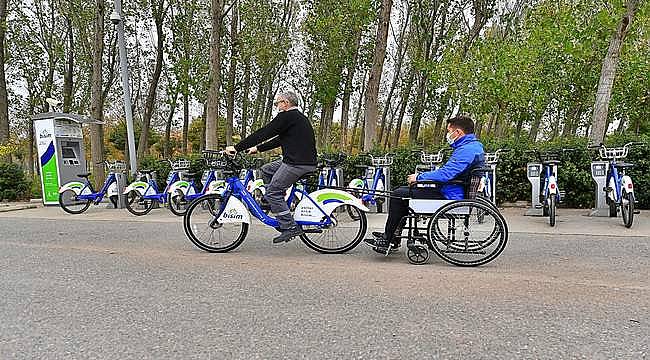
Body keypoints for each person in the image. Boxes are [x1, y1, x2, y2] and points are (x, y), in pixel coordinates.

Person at [367, 115, 485, 252]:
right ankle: (393, 236)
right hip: (452, 190)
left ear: (458, 132)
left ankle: (388, 239)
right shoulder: (473, 146)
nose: (448, 135)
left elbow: (446, 174)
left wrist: (419, 177)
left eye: (449, 131)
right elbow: (449, 172)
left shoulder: (466, 150)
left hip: (450, 196)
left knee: (398, 195)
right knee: (402, 193)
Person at [225, 91, 317, 244]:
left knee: (274, 191)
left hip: (297, 164)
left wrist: (237, 147)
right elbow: (280, 139)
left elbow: (265, 132)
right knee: (267, 169)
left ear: (286, 103)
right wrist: (257, 149)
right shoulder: (297, 118)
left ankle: (289, 226)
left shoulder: (287, 116)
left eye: (278, 103)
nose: (277, 106)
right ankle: (269, 201)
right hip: (300, 161)